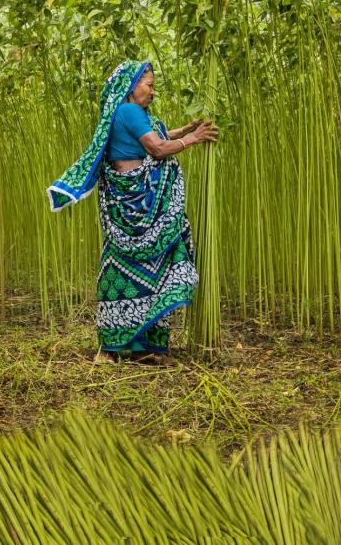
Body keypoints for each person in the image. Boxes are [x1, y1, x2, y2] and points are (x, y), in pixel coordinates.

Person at [47, 60, 218, 365]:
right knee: (132, 269)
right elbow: (156, 148)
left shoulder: (134, 115)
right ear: (131, 86)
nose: (153, 91)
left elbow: (158, 135)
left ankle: (137, 347)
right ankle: (121, 346)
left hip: (138, 204)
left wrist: (185, 129)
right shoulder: (129, 111)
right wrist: (193, 139)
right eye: (149, 84)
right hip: (135, 203)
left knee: (137, 269)